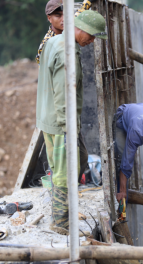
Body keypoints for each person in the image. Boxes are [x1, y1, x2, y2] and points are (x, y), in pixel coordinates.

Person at [35, 10, 107, 235]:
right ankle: (61, 223)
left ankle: (65, 209)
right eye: (92, 36)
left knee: (78, 161)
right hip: (61, 123)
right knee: (65, 172)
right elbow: (63, 93)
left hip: (49, 119)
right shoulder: (67, 52)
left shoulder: (53, 41)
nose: (92, 41)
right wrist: (69, 130)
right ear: (80, 28)